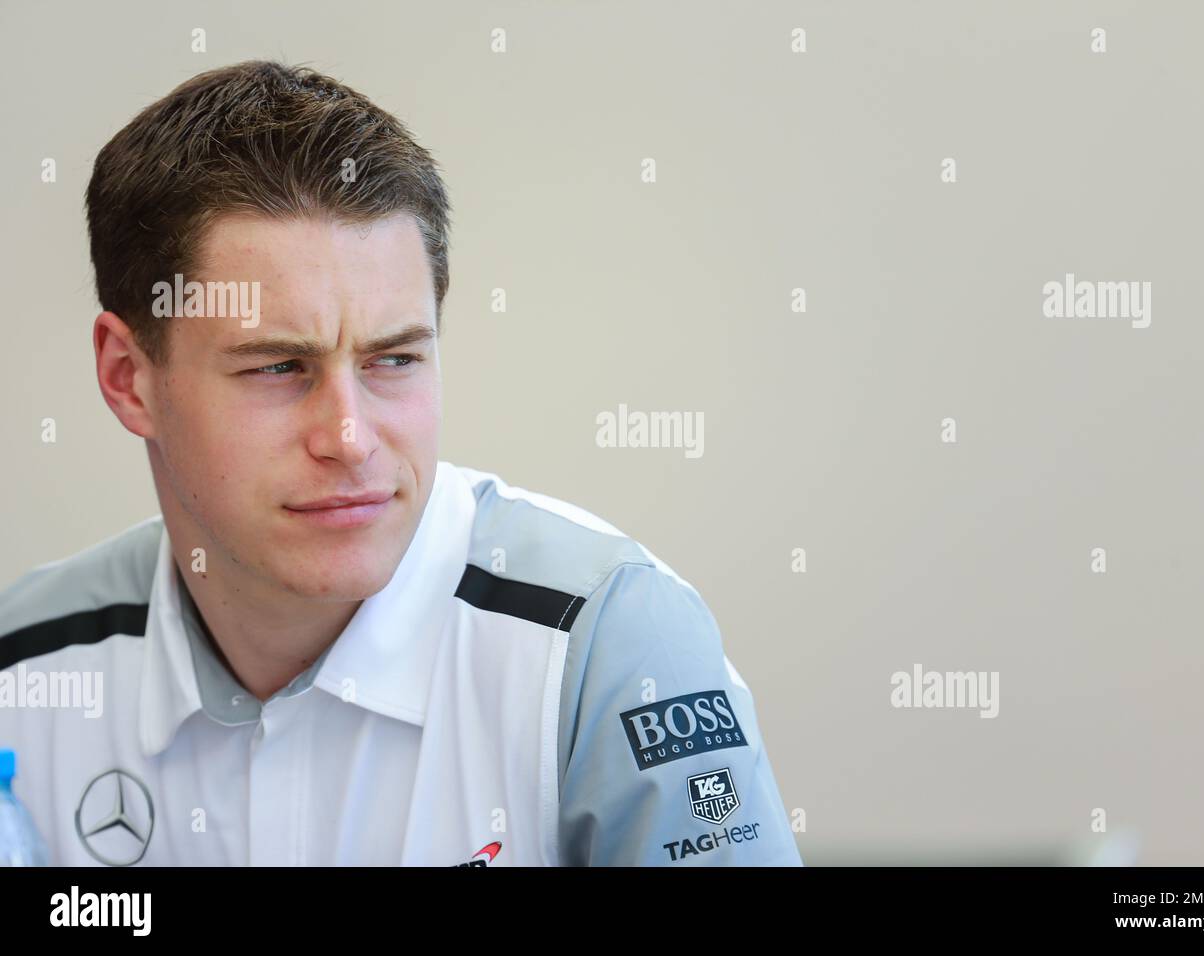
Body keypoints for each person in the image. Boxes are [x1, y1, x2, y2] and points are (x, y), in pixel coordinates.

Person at [0, 61, 802, 866]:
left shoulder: (606, 644)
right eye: (278, 367)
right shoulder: (22, 671)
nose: (349, 437)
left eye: (394, 360)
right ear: (127, 377)